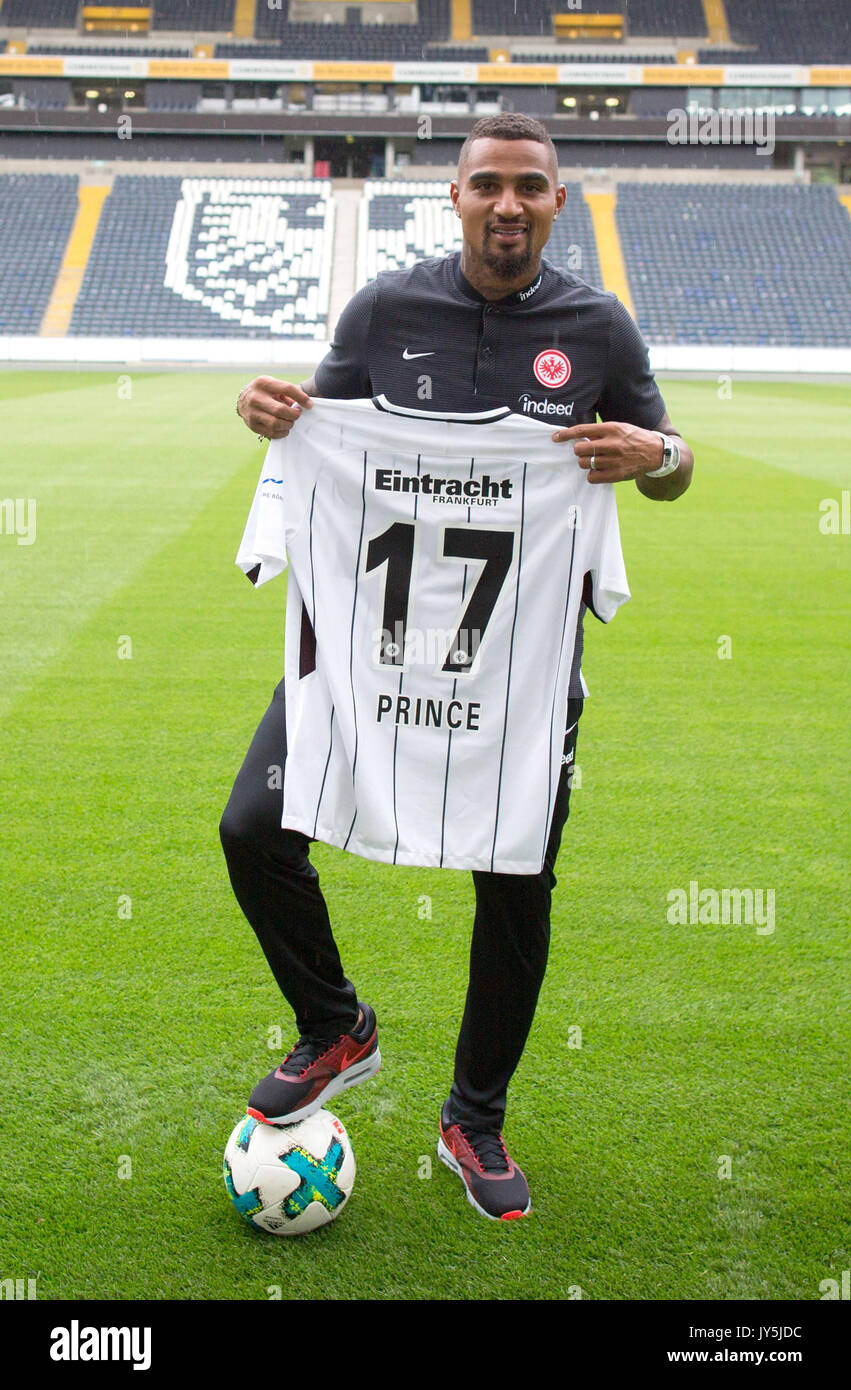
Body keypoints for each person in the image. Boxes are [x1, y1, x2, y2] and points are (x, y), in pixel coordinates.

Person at [222, 113, 694, 1222]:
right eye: (489, 184)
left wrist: (657, 453)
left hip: (519, 669)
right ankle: (337, 1021)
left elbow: (671, 472)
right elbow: (311, 429)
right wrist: (271, 412)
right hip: (362, 651)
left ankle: (472, 1119)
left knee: (515, 880)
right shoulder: (384, 309)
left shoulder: (598, 328)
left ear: (557, 203)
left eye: (532, 185)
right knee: (253, 826)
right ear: (458, 196)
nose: (509, 204)